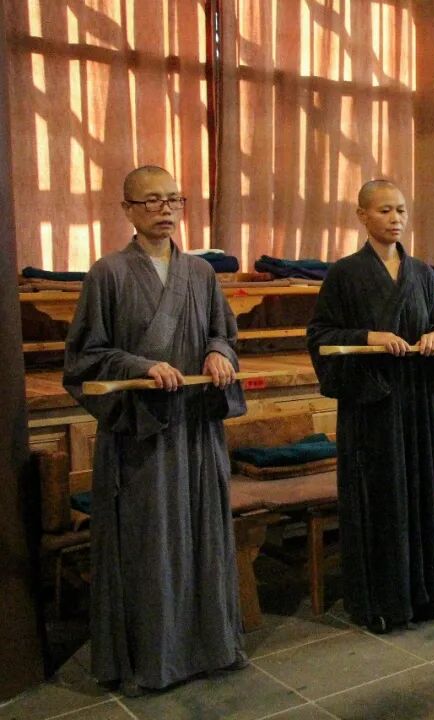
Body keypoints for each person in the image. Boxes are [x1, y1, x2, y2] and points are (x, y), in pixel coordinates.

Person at [64, 165, 246, 696]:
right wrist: (139, 367)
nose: (165, 210)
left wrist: (218, 352)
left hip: (194, 429)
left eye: (174, 200)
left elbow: (223, 332)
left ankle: (211, 647)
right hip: (143, 436)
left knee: (204, 535)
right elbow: (85, 358)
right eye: (151, 201)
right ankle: (154, 659)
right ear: (127, 209)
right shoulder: (109, 273)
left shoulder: (201, 273)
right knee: (151, 545)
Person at [307, 179, 434, 633]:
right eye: (386, 210)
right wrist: (369, 338)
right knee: (380, 497)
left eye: (402, 211)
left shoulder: (422, 273)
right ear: (362, 215)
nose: (395, 219)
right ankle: (380, 601)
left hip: (415, 403)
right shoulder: (345, 274)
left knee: (419, 492)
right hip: (371, 405)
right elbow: (321, 337)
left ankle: (424, 596)